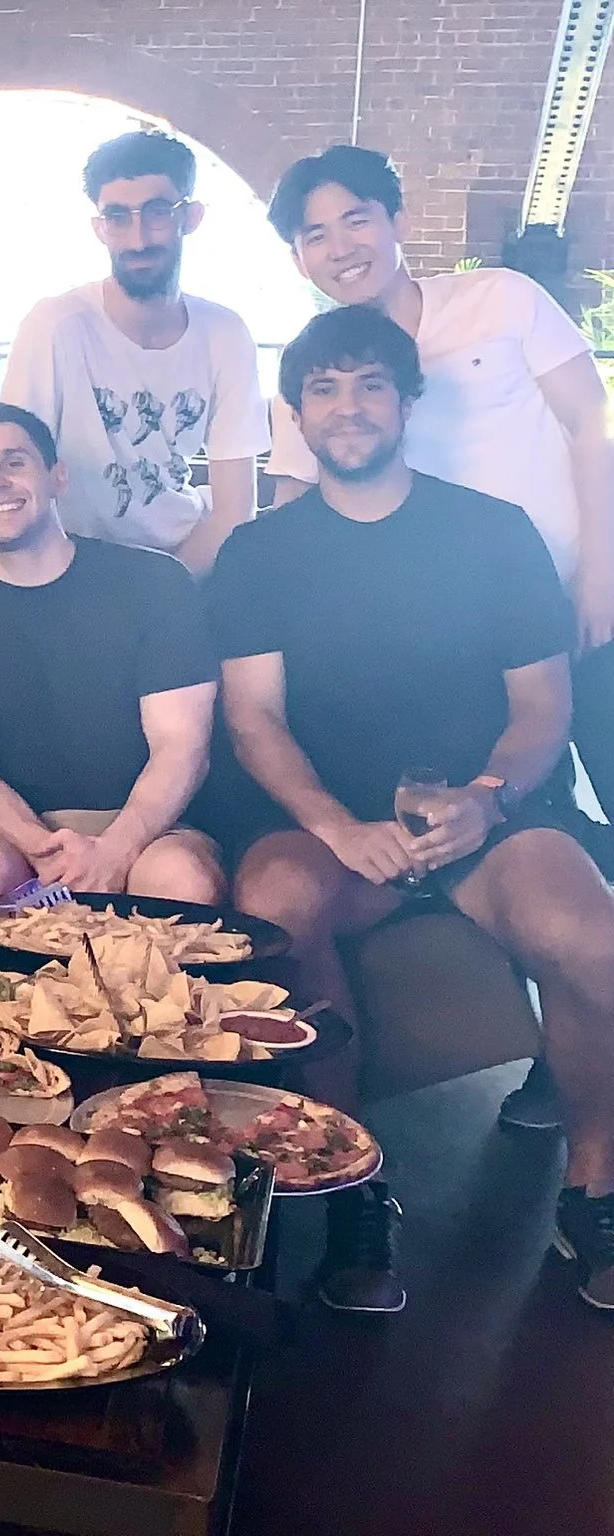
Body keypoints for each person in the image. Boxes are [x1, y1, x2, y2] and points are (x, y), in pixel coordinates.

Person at [208, 304, 614, 1314]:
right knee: (274, 908)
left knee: (584, 934)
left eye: (369, 385)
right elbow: (254, 718)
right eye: (323, 388)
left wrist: (486, 799)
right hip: (328, 828)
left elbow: (541, 707)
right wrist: (336, 827)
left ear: (406, 401)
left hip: (484, 818)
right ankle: (356, 1189)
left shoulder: (493, 531)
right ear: (296, 412)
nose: (346, 407)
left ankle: (594, 1187)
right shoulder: (258, 552)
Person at [263, 145, 614, 1015]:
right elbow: (287, 515)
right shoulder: (319, 372)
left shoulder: (502, 299)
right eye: (315, 234)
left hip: (580, 607)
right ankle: (549, 1055)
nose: (341, 246)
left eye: (356, 220)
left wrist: (600, 575)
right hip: (466, 646)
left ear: (397, 221)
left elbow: (591, 424)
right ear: (299, 258)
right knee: (520, 831)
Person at [0, 404, 225, 903]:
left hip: (146, 825)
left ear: (57, 476)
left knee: (180, 880)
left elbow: (181, 747)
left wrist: (115, 850)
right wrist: (44, 849)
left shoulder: (155, 582)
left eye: (14, 462)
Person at [0, 131, 269, 574]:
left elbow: (235, 512)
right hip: (71, 569)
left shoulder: (226, 334)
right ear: (99, 227)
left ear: (192, 217)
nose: (138, 238)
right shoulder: (54, 326)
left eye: (157, 212)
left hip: (185, 563)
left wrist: (164, 593)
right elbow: (16, 478)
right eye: (118, 217)